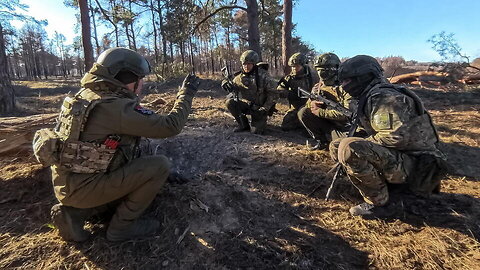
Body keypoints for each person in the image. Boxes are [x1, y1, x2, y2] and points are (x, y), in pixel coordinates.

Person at [44, 47, 201, 242]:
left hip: (68, 185)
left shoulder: (85, 96)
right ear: (127, 79)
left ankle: (75, 215)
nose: (142, 84)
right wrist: (186, 94)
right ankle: (121, 228)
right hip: (86, 188)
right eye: (140, 79)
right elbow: (170, 126)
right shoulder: (114, 107)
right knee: (160, 166)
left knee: (130, 159)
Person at [330, 55, 446, 218]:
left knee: (350, 148)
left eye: (347, 81)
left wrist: (359, 144)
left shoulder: (384, 97)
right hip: (406, 158)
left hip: (419, 167)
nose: (343, 86)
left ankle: (380, 204)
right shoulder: (370, 95)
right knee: (338, 145)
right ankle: (381, 186)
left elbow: (395, 137)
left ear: (364, 77)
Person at [297, 53, 355, 150]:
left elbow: (348, 115)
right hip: (329, 124)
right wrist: (312, 103)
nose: (320, 73)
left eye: (324, 69)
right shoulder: (318, 87)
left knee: (349, 147)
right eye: (318, 69)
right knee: (303, 112)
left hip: (346, 128)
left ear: (335, 68)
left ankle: (334, 142)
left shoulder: (346, 87)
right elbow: (309, 106)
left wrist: (320, 112)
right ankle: (322, 142)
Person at [221, 50, 277, 135]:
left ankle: (258, 122)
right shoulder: (238, 77)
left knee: (256, 131)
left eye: (249, 64)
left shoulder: (263, 75)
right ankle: (243, 124)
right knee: (229, 102)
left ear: (254, 64)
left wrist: (265, 108)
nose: (246, 66)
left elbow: (274, 94)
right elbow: (232, 89)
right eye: (244, 64)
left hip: (259, 109)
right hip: (247, 105)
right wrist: (225, 84)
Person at [277, 52, 315, 131]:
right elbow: (280, 89)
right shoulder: (289, 78)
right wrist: (287, 93)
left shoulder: (312, 77)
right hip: (295, 108)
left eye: (297, 66)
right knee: (286, 126)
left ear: (303, 65)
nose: (294, 68)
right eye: (292, 66)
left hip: (310, 107)